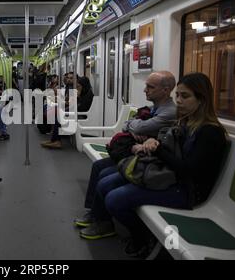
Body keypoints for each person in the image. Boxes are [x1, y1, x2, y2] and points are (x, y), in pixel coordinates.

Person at [79, 73, 227, 258]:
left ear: (202, 99)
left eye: (185, 96)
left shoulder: (210, 133)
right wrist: (152, 143)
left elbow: (189, 171)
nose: (179, 101)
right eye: (178, 95)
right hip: (167, 175)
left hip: (187, 190)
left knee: (114, 199)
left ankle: (143, 237)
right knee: (106, 183)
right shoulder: (185, 123)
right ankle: (109, 223)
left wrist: (157, 150)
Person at [74, 71, 177, 230]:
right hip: (135, 152)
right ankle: (94, 213)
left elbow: (140, 126)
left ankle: (103, 222)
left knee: (104, 175)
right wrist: (134, 126)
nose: (145, 90)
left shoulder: (170, 111)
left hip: (147, 159)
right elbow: (127, 124)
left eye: (150, 87)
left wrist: (135, 127)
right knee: (98, 166)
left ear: (166, 89)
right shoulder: (154, 108)